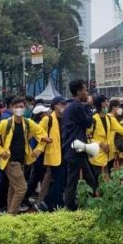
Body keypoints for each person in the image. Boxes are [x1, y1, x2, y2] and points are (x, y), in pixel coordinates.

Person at [0, 97, 50, 215]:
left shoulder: (27, 123)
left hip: (22, 160)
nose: (19, 109)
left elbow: (42, 134)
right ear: (11, 109)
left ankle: (9, 213)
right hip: (10, 161)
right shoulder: (5, 123)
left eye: (21, 107)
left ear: (25, 108)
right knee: (22, 188)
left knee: (13, 188)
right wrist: (0, 151)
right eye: (16, 107)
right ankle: (12, 214)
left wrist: (39, 149)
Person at [62, 80, 97, 211]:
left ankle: (89, 203)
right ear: (78, 92)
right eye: (85, 90)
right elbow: (88, 123)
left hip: (76, 148)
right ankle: (70, 207)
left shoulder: (69, 106)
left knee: (89, 178)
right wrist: (88, 106)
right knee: (72, 181)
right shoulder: (77, 106)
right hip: (75, 149)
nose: (87, 93)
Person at [33, 97, 66, 212]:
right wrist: (40, 146)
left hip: (64, 155)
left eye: (64, 104)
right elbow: (38, 133)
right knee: (59, 182)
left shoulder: (65, 118)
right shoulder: (48, 119)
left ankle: (58, 204)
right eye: (61, 104)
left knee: (60, 182)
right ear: (55, 106)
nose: (64, 106)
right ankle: (45, 203)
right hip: (53, 155)